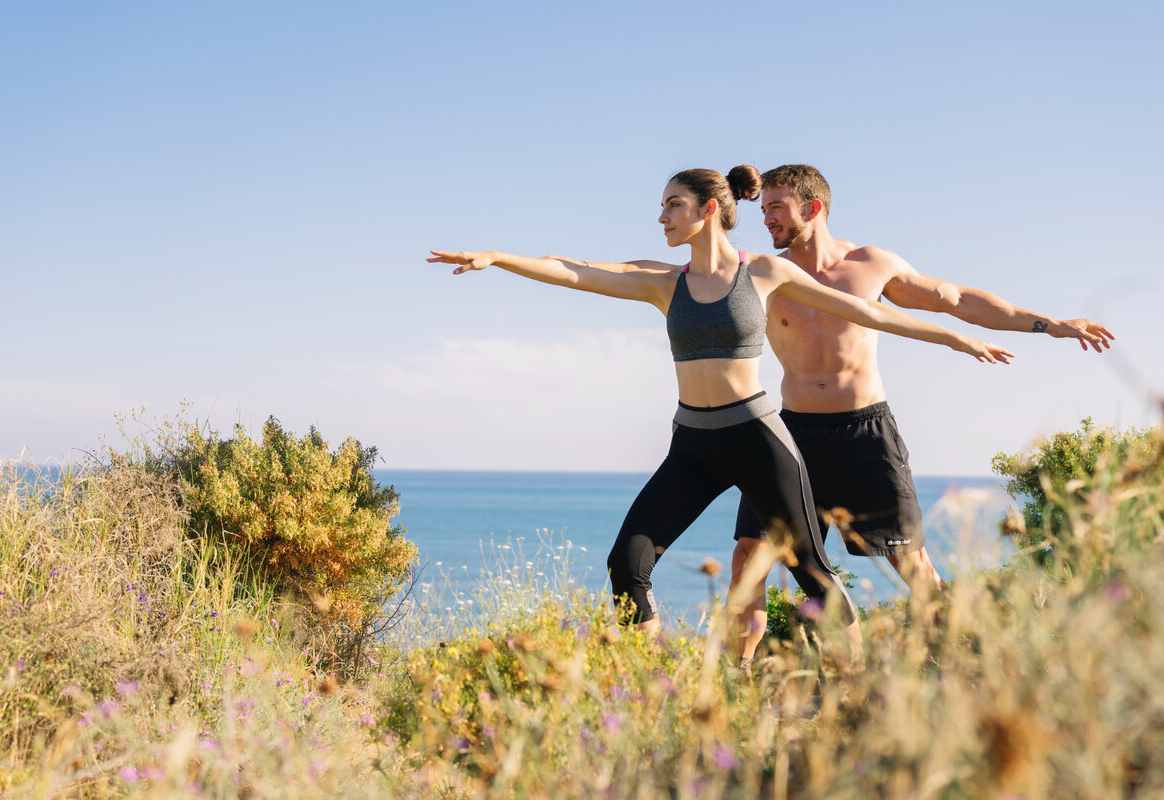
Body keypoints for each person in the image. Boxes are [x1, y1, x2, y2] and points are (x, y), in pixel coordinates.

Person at [428, 166, 1012, 654]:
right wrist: (499, 257)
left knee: (811, 574)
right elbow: (576, 269)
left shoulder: (763, 272)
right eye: (661, 207)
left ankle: (856, 693)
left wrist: (953, 338)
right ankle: (651, 686)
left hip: (758, 436)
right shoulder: (664, 283)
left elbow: (870, 313)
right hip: (694, 444)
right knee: (626, 564)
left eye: (672, 206)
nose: (662, 217)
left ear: (708, 209)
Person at [727, 164, 1114, 662]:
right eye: (764, 210)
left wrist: (1050, 324)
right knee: (748, 556)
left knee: (911, 562)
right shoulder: (766, 272)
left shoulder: (869, 264)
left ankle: (957, 663)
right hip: (791, 432)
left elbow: (955, 300)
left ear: (813, 208)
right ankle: (737, 677)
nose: (767, 220)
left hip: (863, 433)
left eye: (776, 208)